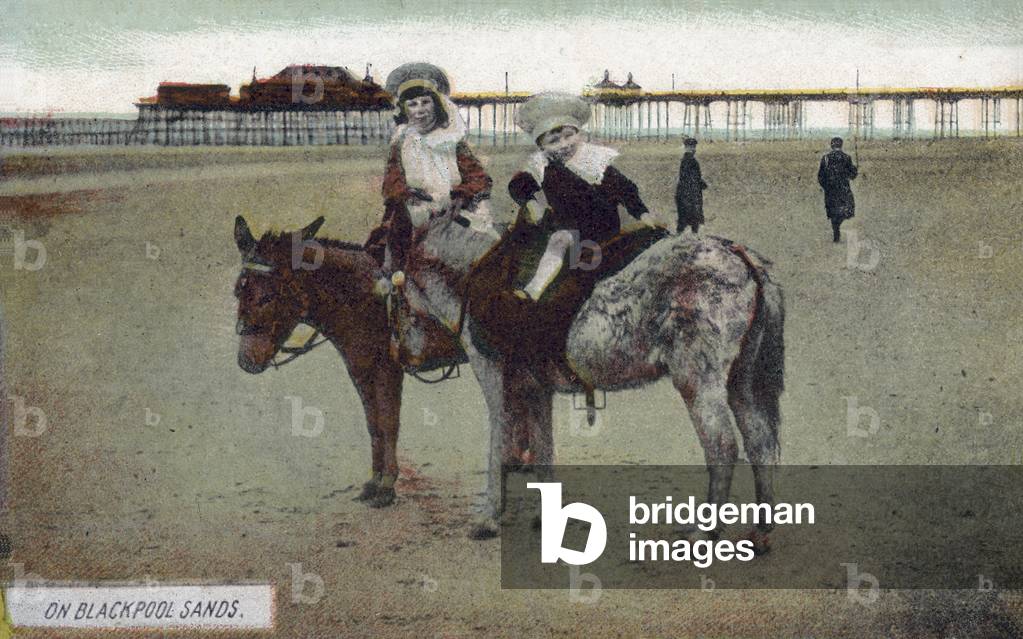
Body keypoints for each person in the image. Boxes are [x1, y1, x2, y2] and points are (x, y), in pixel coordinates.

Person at [506, 92, 665, 300]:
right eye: (554, 141)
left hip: (604, 226)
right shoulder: (541, 165)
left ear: (579, 133)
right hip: (570, 229)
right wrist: (531, 203)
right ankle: (534, 290)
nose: (564, 144)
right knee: (558, 239)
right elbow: (518, 185)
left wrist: (643, 214)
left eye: (569, 136)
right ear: (542, 146)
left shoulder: (595, 160)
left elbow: (625, 190)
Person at [365, 62, 494, 270]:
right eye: (413, 104)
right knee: (391, 251)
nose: (420, 110)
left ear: (437, 105)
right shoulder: (402, 141)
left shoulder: (452, 140)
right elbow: (392, 180)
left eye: (425, 102)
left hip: (455, 207)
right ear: (404, 109)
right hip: (415, 208)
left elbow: (478, 176)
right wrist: (407, 195)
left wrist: (458, 196)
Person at [817, 136, 858, 242]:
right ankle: (838, 228)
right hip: (843, 189)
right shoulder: (846, 158)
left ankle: (836, 232)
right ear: (841, 145)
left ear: (831, 145)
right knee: (844, 210)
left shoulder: (825, 158)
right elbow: (852, 175)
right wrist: (855, 169)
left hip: (830, 191)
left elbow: (820, 176)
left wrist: (826, 187)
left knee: (833, 212)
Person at [675, 137, 707, 234]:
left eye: (693, 147)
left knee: (684, 220)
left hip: (684, 193)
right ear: (687, 148)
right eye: (691, 147)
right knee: (693, 219)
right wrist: (700, 183)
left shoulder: (686, 160)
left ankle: (681, 236)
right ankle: (692, 237)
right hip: (690, 195)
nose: (693, 149)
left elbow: (688, 177)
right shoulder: (690, 161)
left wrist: (700, 182)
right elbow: (691, 179)